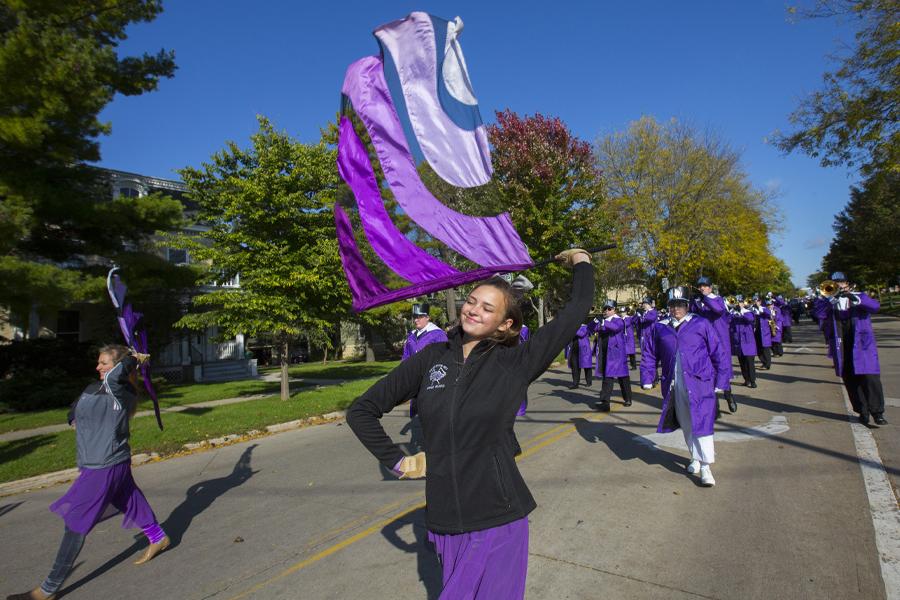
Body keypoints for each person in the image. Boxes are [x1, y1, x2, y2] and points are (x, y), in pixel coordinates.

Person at [346, 249, 593, 599]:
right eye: (472, 301)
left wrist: (581, 262)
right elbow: (361, 411)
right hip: (446, 521)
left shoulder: (516, 361)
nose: (474, 310)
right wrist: (398, 461)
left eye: (488, 308)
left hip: (499, 516)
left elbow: (575, 311)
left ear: (506, 324)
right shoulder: (432, 357)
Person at [8, 346, 169, 600]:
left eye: (104, 363)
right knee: (129, 499)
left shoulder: (121, 391)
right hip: (100, 461)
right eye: (97, 363)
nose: (98, 367)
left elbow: (118, 374)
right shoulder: (94, 388)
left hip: (104, 465)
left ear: (118, 365)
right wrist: (73, 418)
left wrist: (132, 359)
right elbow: (73, 409)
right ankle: (158, 537)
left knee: (76, 521)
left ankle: (48, 589)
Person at [641, 287, 729, 486]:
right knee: (687, 423)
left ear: (687, 306)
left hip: (701, 383)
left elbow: (718, 353)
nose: (676, 309)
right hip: (674, 383)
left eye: (680, 305)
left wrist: (722, 381)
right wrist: (647, 377)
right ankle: (694, 458)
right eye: (673, 305)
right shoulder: (660, 327)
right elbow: (649, 354)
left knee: (703, 422)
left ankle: (706, 467)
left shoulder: (701, 323)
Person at [813, 272, 888, 426]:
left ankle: (878, 412)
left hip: (862, 344)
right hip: (842, 343)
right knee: (850, 379)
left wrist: (856, 299)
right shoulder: (828, 300)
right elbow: (818, 314)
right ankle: (862, 411)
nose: (838, 285)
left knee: (870, 378)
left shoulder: (859, 295)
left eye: (841, 282)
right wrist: (829, 301)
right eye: (835, 282)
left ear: (847, 283)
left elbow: (875, 306)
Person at [690, 276, 737, 415]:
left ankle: (729, 397)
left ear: (710, 287)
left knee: (723, 371)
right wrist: (692, 301)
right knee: (708, 374)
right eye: (700, 286)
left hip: (720, 342)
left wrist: (704, 299)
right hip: (704, 342)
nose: (701, 288)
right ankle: (715, 408)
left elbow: (718, 310)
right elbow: (692, 316)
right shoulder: (698, 302)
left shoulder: (718, 299)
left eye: (704, 286)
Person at [402, 303, 449, 417]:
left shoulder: (438, 334)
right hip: (415, 378)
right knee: (420, 411)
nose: (416, 320)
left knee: (433, 411)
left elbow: (446, 357)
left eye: (419, 317)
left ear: (427, 317)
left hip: (432, 378)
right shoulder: (411, 335)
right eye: (414, 317)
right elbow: (406, 356)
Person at [590, 299, 632, 411]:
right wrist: (594, 320)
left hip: (617, 353)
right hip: (605, 353)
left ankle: (627, 398)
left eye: (609, 309)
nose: (606, 311)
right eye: (605, 309)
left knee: (622, 377)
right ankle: (605, 403)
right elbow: (591, 329)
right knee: (607, 377)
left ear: (614, 309)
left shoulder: (619, 320)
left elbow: (615, 327)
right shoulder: (604, 320)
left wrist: (603, 322)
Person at [730, 296, 758, 388]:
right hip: (738, 343)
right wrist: (731, 312)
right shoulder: (733, 313)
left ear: (743, 304)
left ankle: (753, 381)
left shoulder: (748, 312)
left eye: (740, 302)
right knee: (742, 364)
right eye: (737, 303)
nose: (738, 304)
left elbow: (750, 319)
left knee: (750, 363)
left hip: (748, 342)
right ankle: (746, 380)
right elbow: (727, 321)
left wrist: (740, 312)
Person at [565, 323, 594, 389]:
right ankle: (575, 383)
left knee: (587, 367)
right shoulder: (573, 327)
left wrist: (572, 329)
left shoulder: (585, 326)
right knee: (575, 367)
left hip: (584, 350)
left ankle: (589, 382)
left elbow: (581, 334)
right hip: (574, 350)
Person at [750, 296, 773, 370]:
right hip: (756, 331)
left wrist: (759, 308)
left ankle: (767, 364)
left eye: (757, 301)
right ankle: (763, 362)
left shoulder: (764, 308)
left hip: (764, 332)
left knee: (765, 348)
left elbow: (768, 313)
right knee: (759, 348)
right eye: (755, 301)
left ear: (760, 302)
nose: (756, 302)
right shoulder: (752, 308)